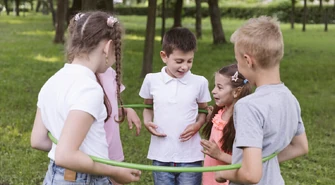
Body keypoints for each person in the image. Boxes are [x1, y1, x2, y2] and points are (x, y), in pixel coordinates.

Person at [30, 11, 141, 185]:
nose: (115, 58)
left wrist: (74, 149)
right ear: (108, 47)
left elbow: (38, 140)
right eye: (117, 51)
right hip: (84, 180)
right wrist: (116, 172)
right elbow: (65, 155)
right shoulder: (89, 89)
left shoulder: (52, 82)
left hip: (54, 177)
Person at [215, 16, 309, 185]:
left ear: (248, 61)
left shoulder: (248, 106)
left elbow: (251, 175)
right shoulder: (290, 98)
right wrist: (259, 162)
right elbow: (300, 147)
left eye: (238, 62)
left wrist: (224, 172)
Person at [139, 27, 211, 185]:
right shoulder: (152, 80)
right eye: (179, 61)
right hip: (161, 155)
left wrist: (198, 124)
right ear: (164, 56)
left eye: (189, 61)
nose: (184, 67)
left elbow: (204, 110)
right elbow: (147, 107)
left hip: (191, 156)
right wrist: (146, 122)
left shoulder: (200, 82)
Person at [200, 64, 252, 185]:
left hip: (227, 180)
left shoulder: (242, 121)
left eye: (219, 87)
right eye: (214, 86)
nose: (213, 91)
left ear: (236, 92)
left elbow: (246, 162)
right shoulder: (220, 111)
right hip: (210, 177)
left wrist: (219, 155)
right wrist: (209, 119)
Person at [98, 67, 142, 185]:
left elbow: (109, 110)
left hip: (113, 151)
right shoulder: (82, 77)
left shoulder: (110, 72)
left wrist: (127, 110)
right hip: (92, 154)